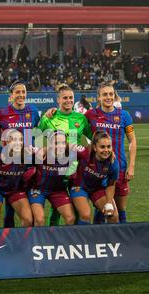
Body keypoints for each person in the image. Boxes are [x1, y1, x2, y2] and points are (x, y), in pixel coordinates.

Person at [38, 84, 93, 226]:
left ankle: (73, 236)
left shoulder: (81, 118)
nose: (68, 100)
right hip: (54, 169)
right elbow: (37, 137)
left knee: (75, 206)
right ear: (58, 100)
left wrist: (86, 155)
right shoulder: (48, 118)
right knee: (57, 207)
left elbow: (91, 139)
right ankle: (53, 234)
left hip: (75, 169)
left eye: (71, 98)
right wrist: (44, 148)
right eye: (65, 98)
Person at [85, 82, 137, 224]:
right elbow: (76, 127)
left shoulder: (124, 115)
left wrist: (131, 166)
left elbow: (132, 141)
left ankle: (122, 241)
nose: (108, 97)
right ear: (98, 98)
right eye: (105, 94)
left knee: (120, 209)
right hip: (99, 170)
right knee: (102, 207)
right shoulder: (91, 115)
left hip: (119, 167)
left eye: (111, 94)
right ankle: (98, 239)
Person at [0, 80, 42, 228]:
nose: (21, 95)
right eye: (18, 92)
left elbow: (38, 132)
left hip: (28, 162)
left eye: (23, 92)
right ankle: (10, 233)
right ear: (11, 95)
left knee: (27, 199)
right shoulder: (2, 113)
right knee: (10, 202)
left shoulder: (33, 111)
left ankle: (28, 234)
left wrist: (36, 149)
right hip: (11, 163)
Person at [26, 131, 76, 227]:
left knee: (71, 218)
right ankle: (37, 241)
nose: (60, 146)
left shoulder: (70, 155)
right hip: (38, 190)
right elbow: (22, 152)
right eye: (56, 143)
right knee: (39, 220)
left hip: (57, 191)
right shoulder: (40, 153)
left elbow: (90, 150)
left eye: (63, 143)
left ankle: (62, 241)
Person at [0, 129, 33, 228]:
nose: (18, 143)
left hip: (15, 190)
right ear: (7, 142)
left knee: (28, 220)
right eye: (14, 140)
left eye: (20, 140)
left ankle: (23, 242)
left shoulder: (28, 156)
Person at [70, 131, 120, 224]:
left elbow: (111, 184)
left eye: (109, 146)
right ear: (94, 147)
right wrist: (45, 150)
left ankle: (106, 238)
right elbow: (68, 145)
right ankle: (81, 239)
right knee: (85, 215)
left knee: (113, 216)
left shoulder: (113, 163)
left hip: (97, 189)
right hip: (79, 187)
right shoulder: (84, 152)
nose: (106, 150)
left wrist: (109, 203)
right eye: (102, 147)